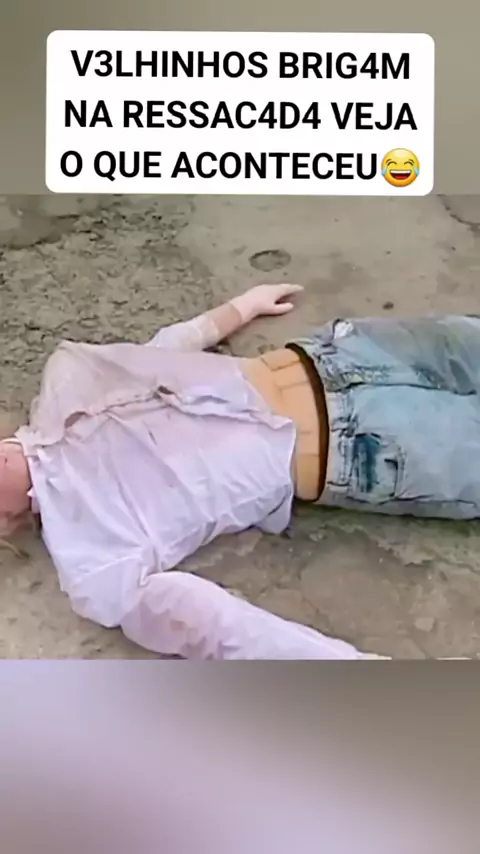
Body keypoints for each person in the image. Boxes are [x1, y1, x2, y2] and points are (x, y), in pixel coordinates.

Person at [2, 283, 475, 659]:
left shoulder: (63, 383)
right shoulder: (89, 554)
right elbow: (215, 626)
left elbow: (163, 349)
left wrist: (240, 307)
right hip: (365, 445)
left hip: (336, 355)